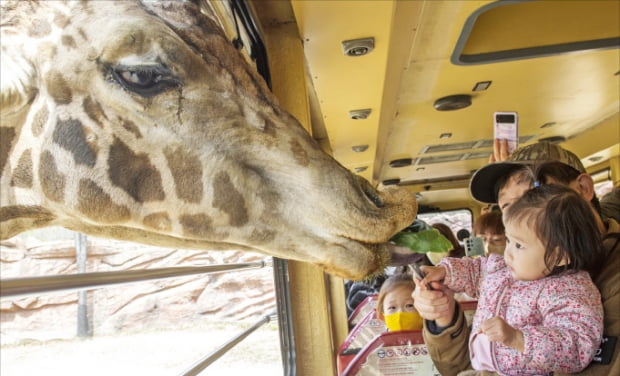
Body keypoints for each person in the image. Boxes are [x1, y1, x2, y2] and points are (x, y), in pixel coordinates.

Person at [413, 141, 620, 376]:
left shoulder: (582, 286)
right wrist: (443, 315)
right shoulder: (518, 263)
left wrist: (519, 339)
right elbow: (459, 368)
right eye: (507, 205)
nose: (520, 213)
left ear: (583, 188)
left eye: (534, 194)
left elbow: (576, 351)